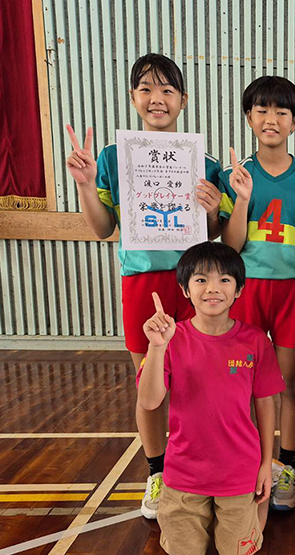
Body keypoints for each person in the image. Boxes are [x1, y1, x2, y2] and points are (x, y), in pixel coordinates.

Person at [64, 53, 223, 519]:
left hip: (194, 281)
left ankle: (202, 465)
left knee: (200, 378)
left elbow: (213, 233)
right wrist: (87, 186)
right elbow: (101, 227)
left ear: (183, 100)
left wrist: (213, 209)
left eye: (167, 90)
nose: (157, 99)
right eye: (147, 89)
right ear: (134, 98)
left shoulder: (203, 160)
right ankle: (157, 472)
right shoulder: (114, 157)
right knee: (148, 381)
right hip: (141, 280)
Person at [136, 241, 285, 555]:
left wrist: (265, 463)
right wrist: (157, 347)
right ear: (185, 290)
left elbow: (266, 404)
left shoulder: (255, 341)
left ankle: (254, 507)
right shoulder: (171, 339)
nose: (213, 288)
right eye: (201, 280)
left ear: (239, 290)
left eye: (224, 280)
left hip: (238, 471)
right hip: (185, 472)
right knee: (184, 554)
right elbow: (149, 401)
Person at [219, 76, 295, 512]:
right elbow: (229, 246)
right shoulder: (236, 176)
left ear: (294, 123)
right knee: (241, 379)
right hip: (247, 289)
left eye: (281, 112)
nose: (271, 119)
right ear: (249, 117)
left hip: (294, 292)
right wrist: (243, 198)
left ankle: (286, 465)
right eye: (262, 110)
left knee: (290, 382)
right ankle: (248, 460)